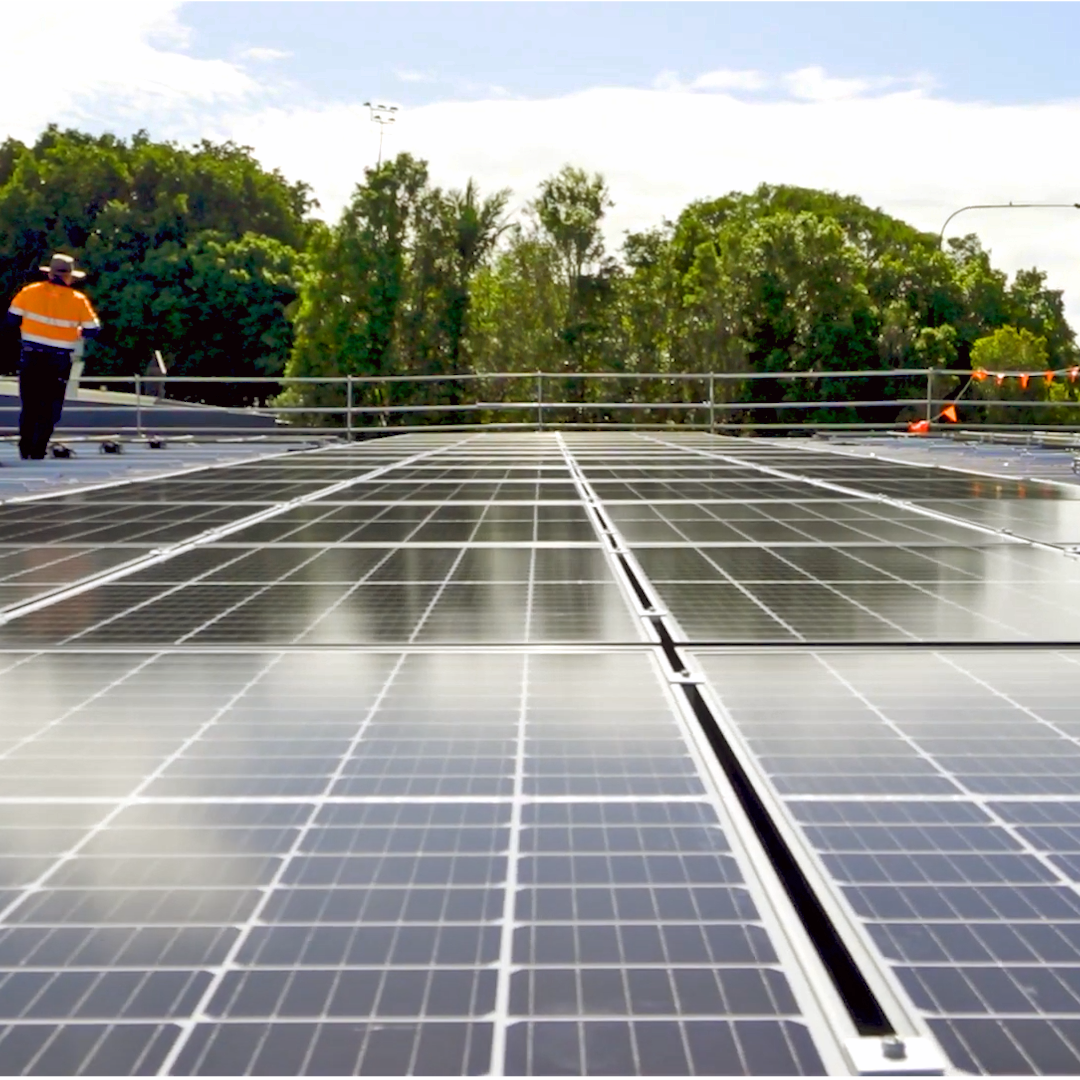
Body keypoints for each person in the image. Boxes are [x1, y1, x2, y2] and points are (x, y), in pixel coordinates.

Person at [5, 254, 101, 459]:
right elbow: (93, 329)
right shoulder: (78, 300)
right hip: (58, 360)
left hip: (31, 356)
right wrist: (75, 332)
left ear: (49, 273)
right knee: (50, 407)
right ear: (70, 278)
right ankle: (38, 450)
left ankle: (25, 448)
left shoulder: (29, 292)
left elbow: (12, 319)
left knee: (29, 404)